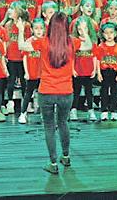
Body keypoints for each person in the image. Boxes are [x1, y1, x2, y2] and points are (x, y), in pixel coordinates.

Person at [30, 12, 75, 174]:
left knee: (49, 126)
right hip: (66, 91)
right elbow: (89, 45)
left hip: (47, 91)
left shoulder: (43, 42)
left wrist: (21, 30)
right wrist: (84, 33)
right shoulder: (72, 43)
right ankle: (66, 156)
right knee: (63, 123)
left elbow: (23, 46)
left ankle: (53, 163)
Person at [2, 1, 30, 115]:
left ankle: (26, 103)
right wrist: (5, 55)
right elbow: (6, 41)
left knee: (24, 81)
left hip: (22, 58)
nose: (9, 11)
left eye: (12, 9)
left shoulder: (26, 26)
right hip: (11, 58)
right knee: (11, 80)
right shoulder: (8, 25)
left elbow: (28, 42)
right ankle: (10, 102)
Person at [16, 17, 45, 124]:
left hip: (43, 74)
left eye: (41, 28)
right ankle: (23, 113)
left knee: (44, 94)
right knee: (28, 94)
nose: (39, 30)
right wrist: (27, 72)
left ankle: (44, 113)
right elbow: (24, 58)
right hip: (32, 73)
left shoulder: (46, 41)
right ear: (32, 29)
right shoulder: (29, 42)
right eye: (36, 28)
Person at [95, 21, 117, 121]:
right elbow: (98, 60)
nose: (109, 35)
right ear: (102, 34)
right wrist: (98, 73)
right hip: (104, 72)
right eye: (106, 33)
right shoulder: (101, 46)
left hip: (114, 72)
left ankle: (114, 111)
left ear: (115, 33)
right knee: (104, 92)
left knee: (114, 92)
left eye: (111, 32)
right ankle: (104, 111)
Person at [70, 16, 98, 121]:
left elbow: (95, 56)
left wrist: (94, 69)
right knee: (76, 92)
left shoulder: (92, 41)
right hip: (78, 71)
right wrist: (72, 69)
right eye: (80, 29)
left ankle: (91, 111)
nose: (82, 31)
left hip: (88, 71)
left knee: (89, 92)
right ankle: (73, 110)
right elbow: (71, 57)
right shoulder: (74, 41)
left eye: (85, 28)